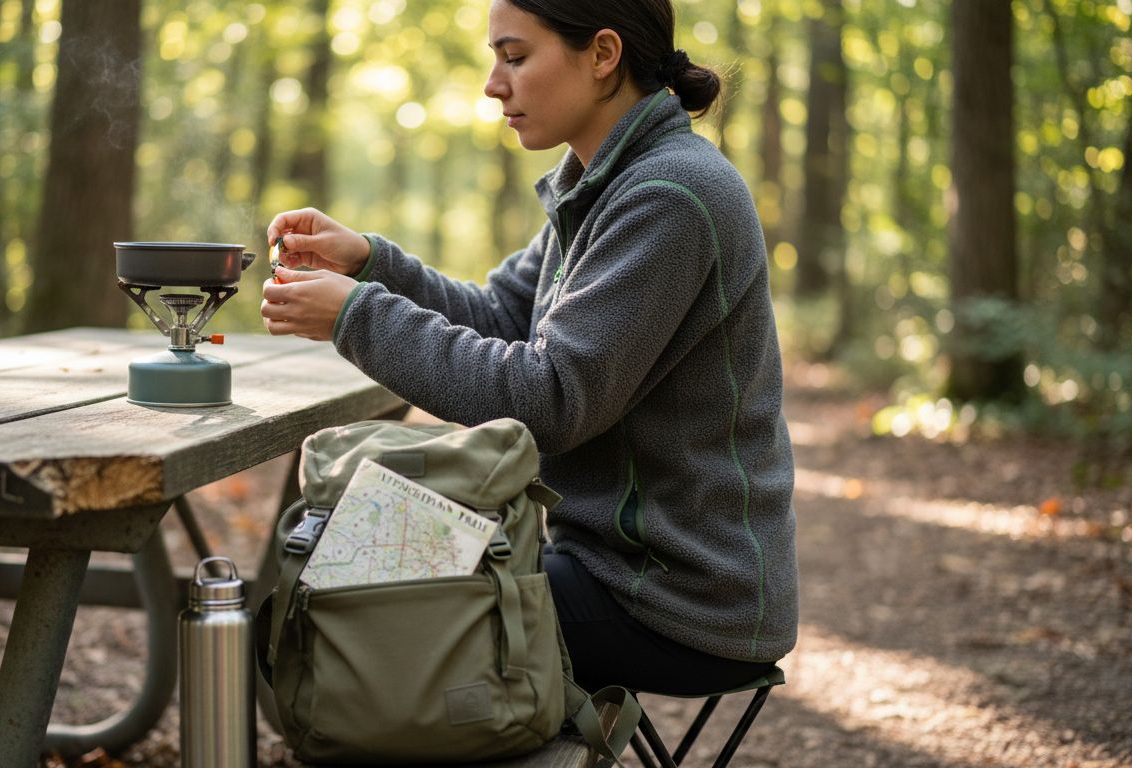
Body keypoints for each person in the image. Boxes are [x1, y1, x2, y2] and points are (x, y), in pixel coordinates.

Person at [259, 0, 797, 696]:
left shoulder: (670, 194)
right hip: (612, 569)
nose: (493, 83)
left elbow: (550, 399)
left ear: (603, 56)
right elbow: (500, 315)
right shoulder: (606, 181)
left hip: (675, 601)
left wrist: (356, 316)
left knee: (319, 617)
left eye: (514, 56)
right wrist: (369, 263)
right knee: (327, 568)